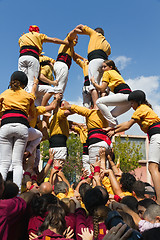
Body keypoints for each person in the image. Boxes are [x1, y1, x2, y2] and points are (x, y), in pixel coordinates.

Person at [106, 90, 160, 204]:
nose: (131, 106)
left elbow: (127, 125)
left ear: (137, 102)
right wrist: (112, 129)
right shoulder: (145, 109)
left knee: (152, 168)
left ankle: (159, 201)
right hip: (156, 135)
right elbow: (125, 123)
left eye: (132, 103)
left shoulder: (141, 109)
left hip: (156, 135)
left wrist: (114, 131)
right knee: (157, 169)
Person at [0, 71, 35, 190]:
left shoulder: (4, 93)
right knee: (17, 163)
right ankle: (18, 193)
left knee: (4, 163)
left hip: (6, 126)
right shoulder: (28, 96)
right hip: (22, 127)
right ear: (24, 85)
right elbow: (32, 115)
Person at [18, 25, 69, 93]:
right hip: (32, 57)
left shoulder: (22, 37)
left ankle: (21, 97)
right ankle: (29, 99)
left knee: (22, 81)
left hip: (22, 58)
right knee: (32, 82)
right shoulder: (39, 35)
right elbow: (54, 40)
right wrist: (66, 43)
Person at [61, 101, 112, 167]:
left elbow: (76, 108)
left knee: (96, 170)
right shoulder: (106, 116)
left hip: (95, 144)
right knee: (104, 168)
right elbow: (70, 126)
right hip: (101, 144)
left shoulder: (91, 113)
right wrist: (77, 124)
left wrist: (65, 107)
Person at [75, 24, 111, 108]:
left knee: (93, 84)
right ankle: (104, 105)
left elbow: (81, 26)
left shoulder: (94, 34)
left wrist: (74, 32)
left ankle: (96, 106)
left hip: (94, 60)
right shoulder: (107, 44)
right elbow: (108, 54)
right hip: (104, 62)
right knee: (103, 85)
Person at [91, 60, 132, 127]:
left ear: (110, 67)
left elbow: (102, 88)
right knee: (111, 115)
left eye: (105, 67)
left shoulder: (107, 73)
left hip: (123, 95)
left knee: (99, 102)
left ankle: (113, 123)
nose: (103, 69)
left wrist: (93, 83)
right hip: (129, 100)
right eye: (102, 67)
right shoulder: (115, 73)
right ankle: (113, 129)